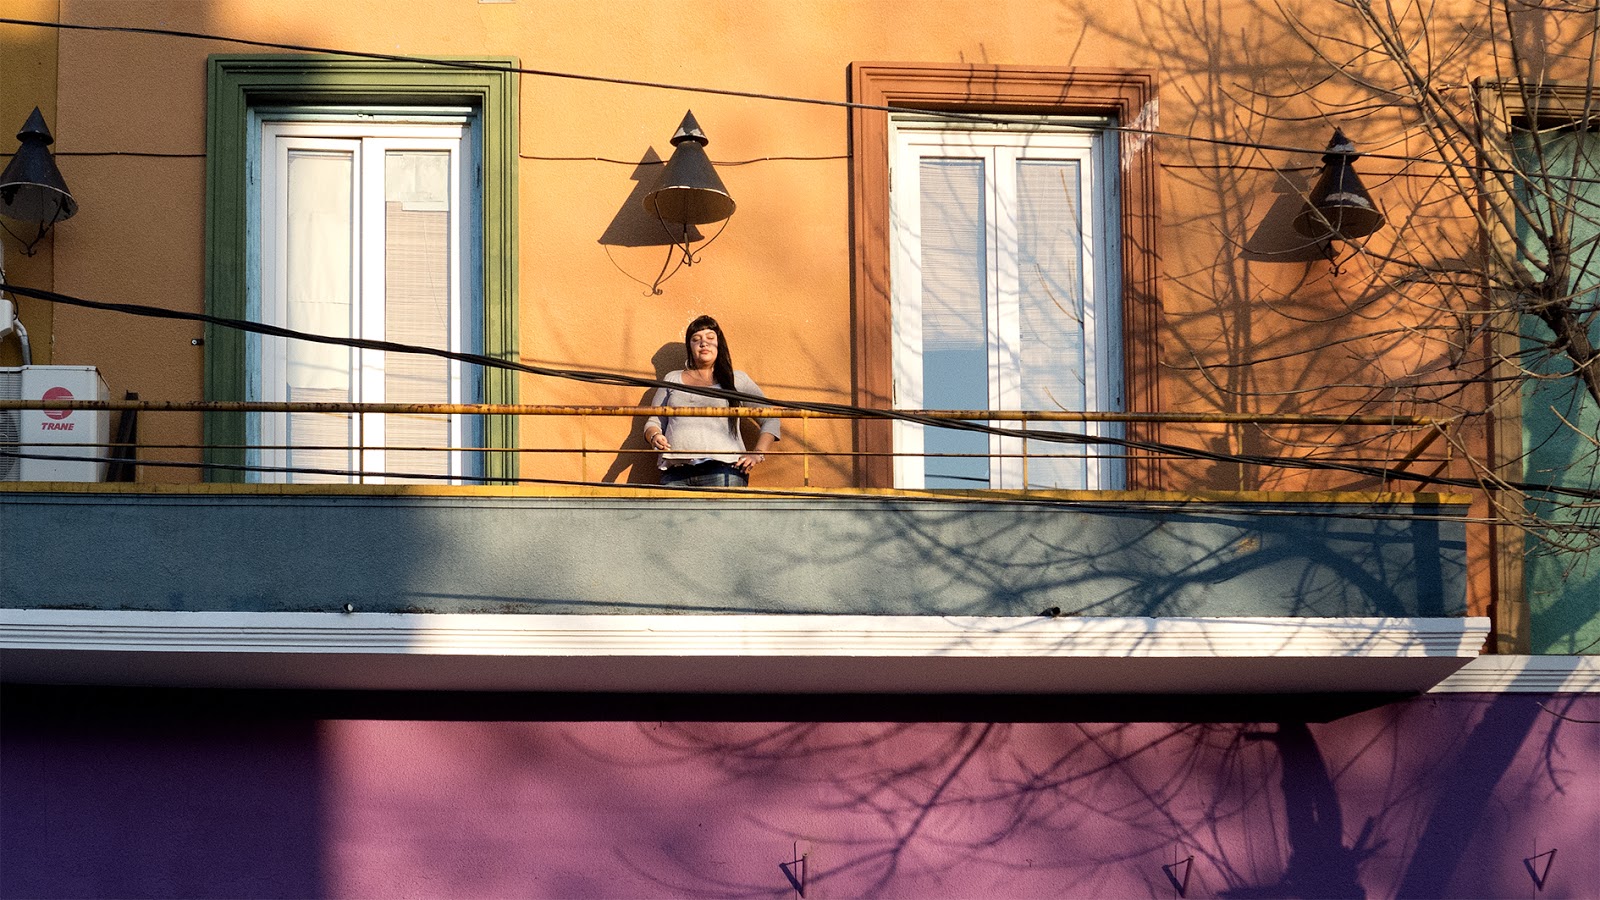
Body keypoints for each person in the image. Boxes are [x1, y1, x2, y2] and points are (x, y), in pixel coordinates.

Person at [643, 315, 780, 487]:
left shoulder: (736, 379)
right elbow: (654, 421)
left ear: (719, 344)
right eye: (696, 339)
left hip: (724, 471)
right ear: (690, 347)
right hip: (676, 473)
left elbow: (771, 418)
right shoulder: (672, 379)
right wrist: (654, 436)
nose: (703, 343)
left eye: (710, 338)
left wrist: (758, 453)